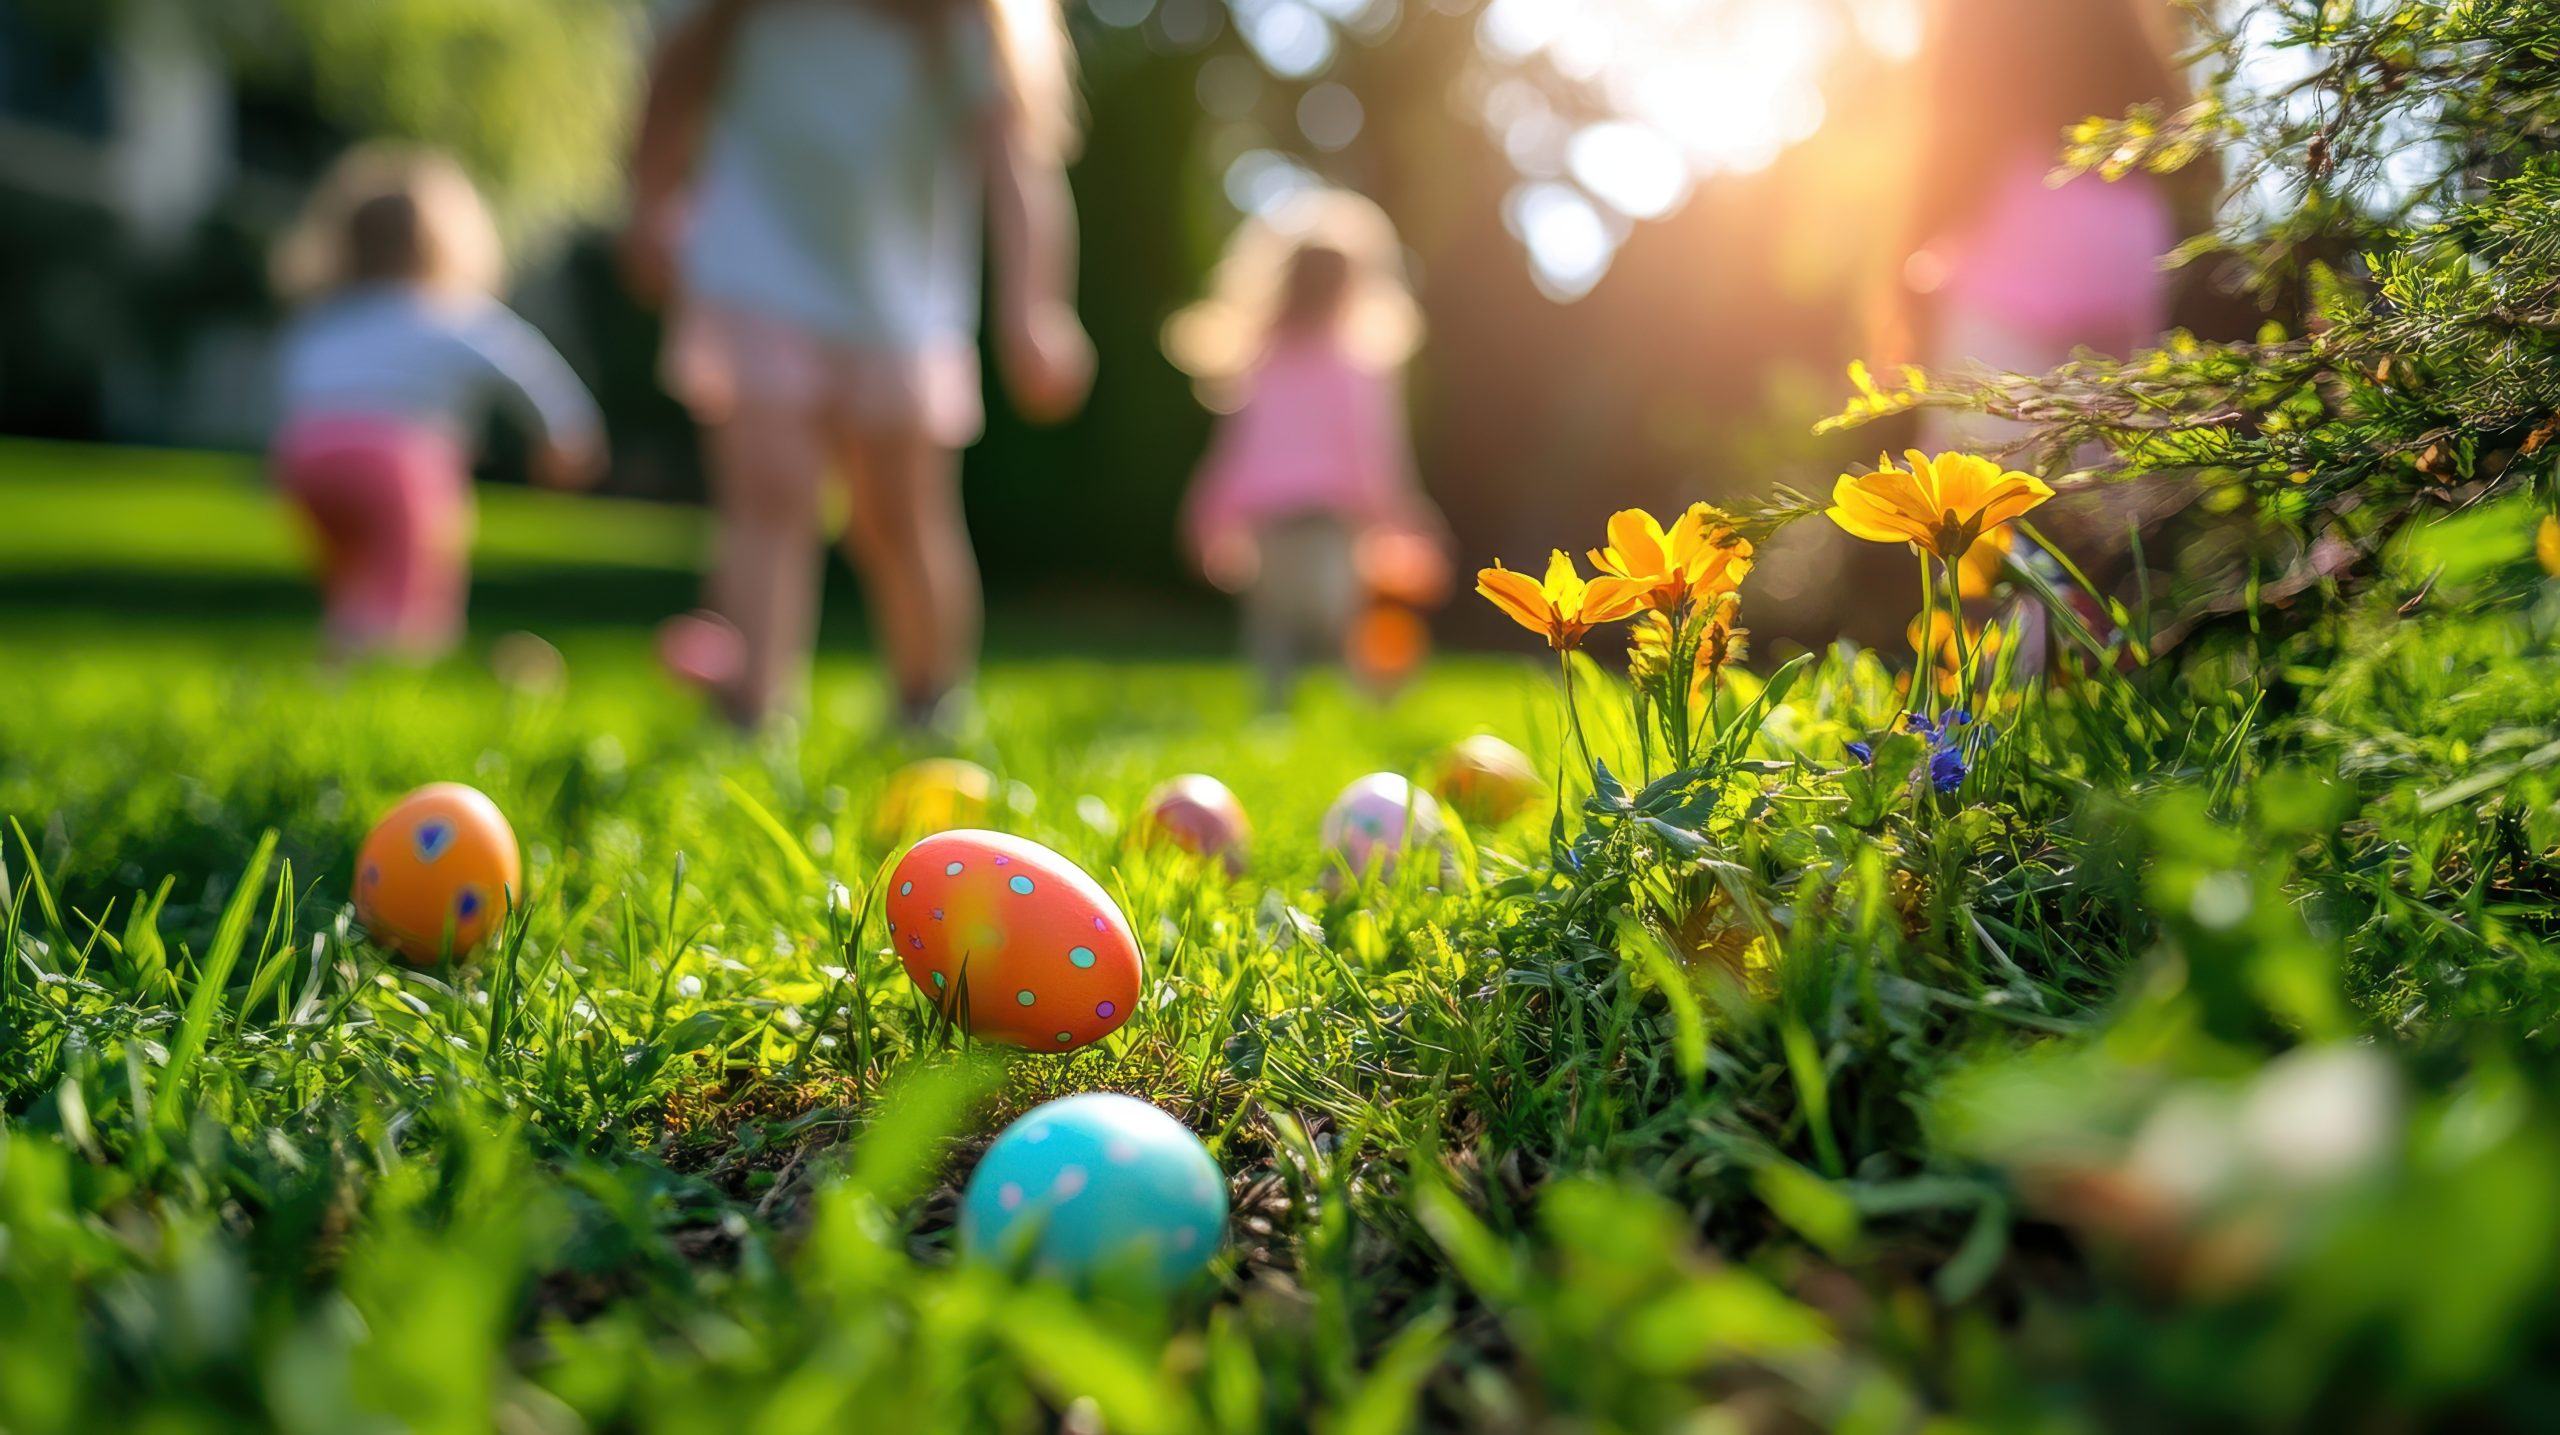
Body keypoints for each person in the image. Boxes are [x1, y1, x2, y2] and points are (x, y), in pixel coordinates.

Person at [624, 0, 1094, 732]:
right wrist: (650, 204)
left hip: (897, 307)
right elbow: (668, 94)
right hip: (752, 273)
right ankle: (749, 709)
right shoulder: (738, 14)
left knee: (897, 519)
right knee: (768, 495)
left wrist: (1036, 308)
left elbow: (1017, 173)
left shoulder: (959, 25)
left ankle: (928, 700)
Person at [269, 145, 605, 661]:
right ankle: (409, 660)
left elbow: (298, 384)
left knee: (356, 577)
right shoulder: (454, 312)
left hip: (310, 460)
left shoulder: (329, 316)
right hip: (396, 463)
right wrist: (566, 433)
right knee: (415, 576)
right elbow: (527, 368)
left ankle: (342, 652)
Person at [1166, 189, 1447, 710]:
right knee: (1341, 624)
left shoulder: (1267, 360)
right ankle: (1366, 705)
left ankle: (1278, 714)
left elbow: (1234, 450)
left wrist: (1207, 514)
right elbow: (1374, 450)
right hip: (1325, 526)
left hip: (1277, 527)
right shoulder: (1353, 366)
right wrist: (1397, 516)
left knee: (1274, 630)